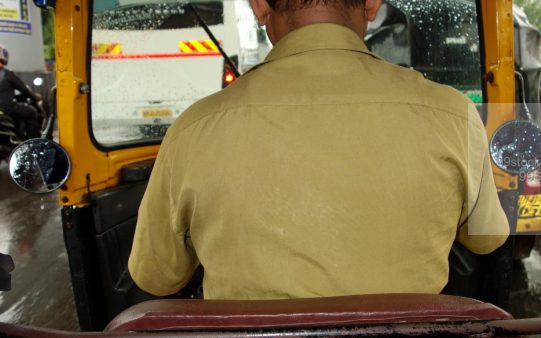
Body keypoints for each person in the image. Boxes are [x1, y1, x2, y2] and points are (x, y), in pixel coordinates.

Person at [128, 0, 510, 299]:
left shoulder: (194, 130)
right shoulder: (452, 116)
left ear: (259, 5)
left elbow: (157, 277)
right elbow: (486, 237)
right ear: (372, 3)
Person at [0, 44, 41, 140]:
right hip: (7, 108)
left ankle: (19, 135)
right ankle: (33, 143)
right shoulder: (7, 74)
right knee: (32, 112)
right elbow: (24, 90)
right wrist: (36, 97)